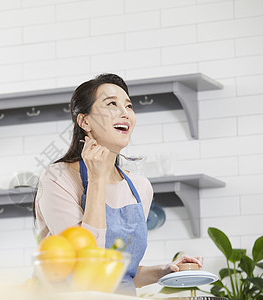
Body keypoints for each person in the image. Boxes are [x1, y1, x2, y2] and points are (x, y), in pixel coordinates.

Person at [33, 73, 202, 296]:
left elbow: (122, 275)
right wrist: (97, 179)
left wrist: (166, 271)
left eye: (129, 106)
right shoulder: (57, 178)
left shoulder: (140, 187)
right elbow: (87, 264)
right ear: (85, 121)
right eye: (112, 104)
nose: (125, 113)